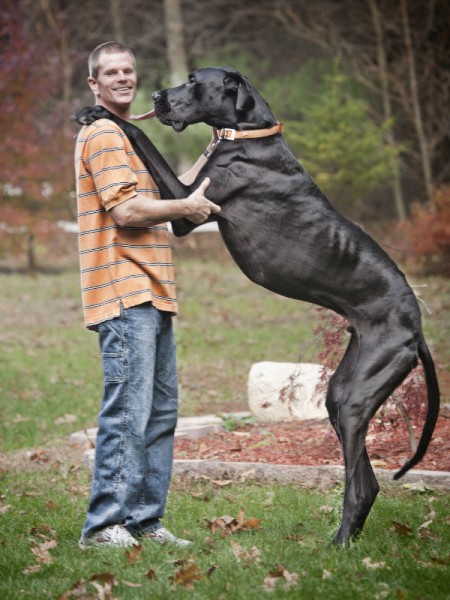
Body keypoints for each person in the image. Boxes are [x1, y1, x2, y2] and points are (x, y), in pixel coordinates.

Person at [74, 41, 220, 549]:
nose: (122, 78)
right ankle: (103, 525)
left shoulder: (128, 135)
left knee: (159, 414)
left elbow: (175, 194)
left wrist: (216, 147)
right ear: (94, 83)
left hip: (152, 290)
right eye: (110, 72)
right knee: (128, 412)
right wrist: (185, 207)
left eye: (128, 70)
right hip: (123, 288)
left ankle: (143, 521)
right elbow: (127, 212)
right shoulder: (104, 135)